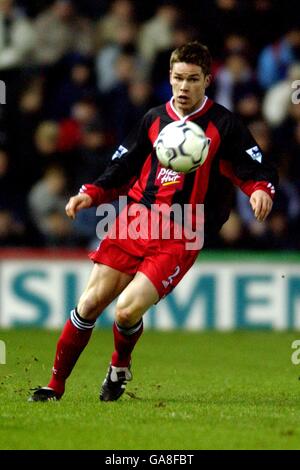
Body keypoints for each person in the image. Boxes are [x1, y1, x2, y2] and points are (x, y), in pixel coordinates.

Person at [29, 41, 278, 402]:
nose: (184, 87)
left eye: (193, 79)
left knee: (126, 311)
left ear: (207, 80)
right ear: (170, 77)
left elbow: (254, 168)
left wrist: (260, 190)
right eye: (178, 78)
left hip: (182, 230)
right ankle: (55, 387)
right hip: (135, 220)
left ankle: (118, 366)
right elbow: (122, 166)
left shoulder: (224, 124)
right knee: (88, 305)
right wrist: (90, 194)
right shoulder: (153, 119)